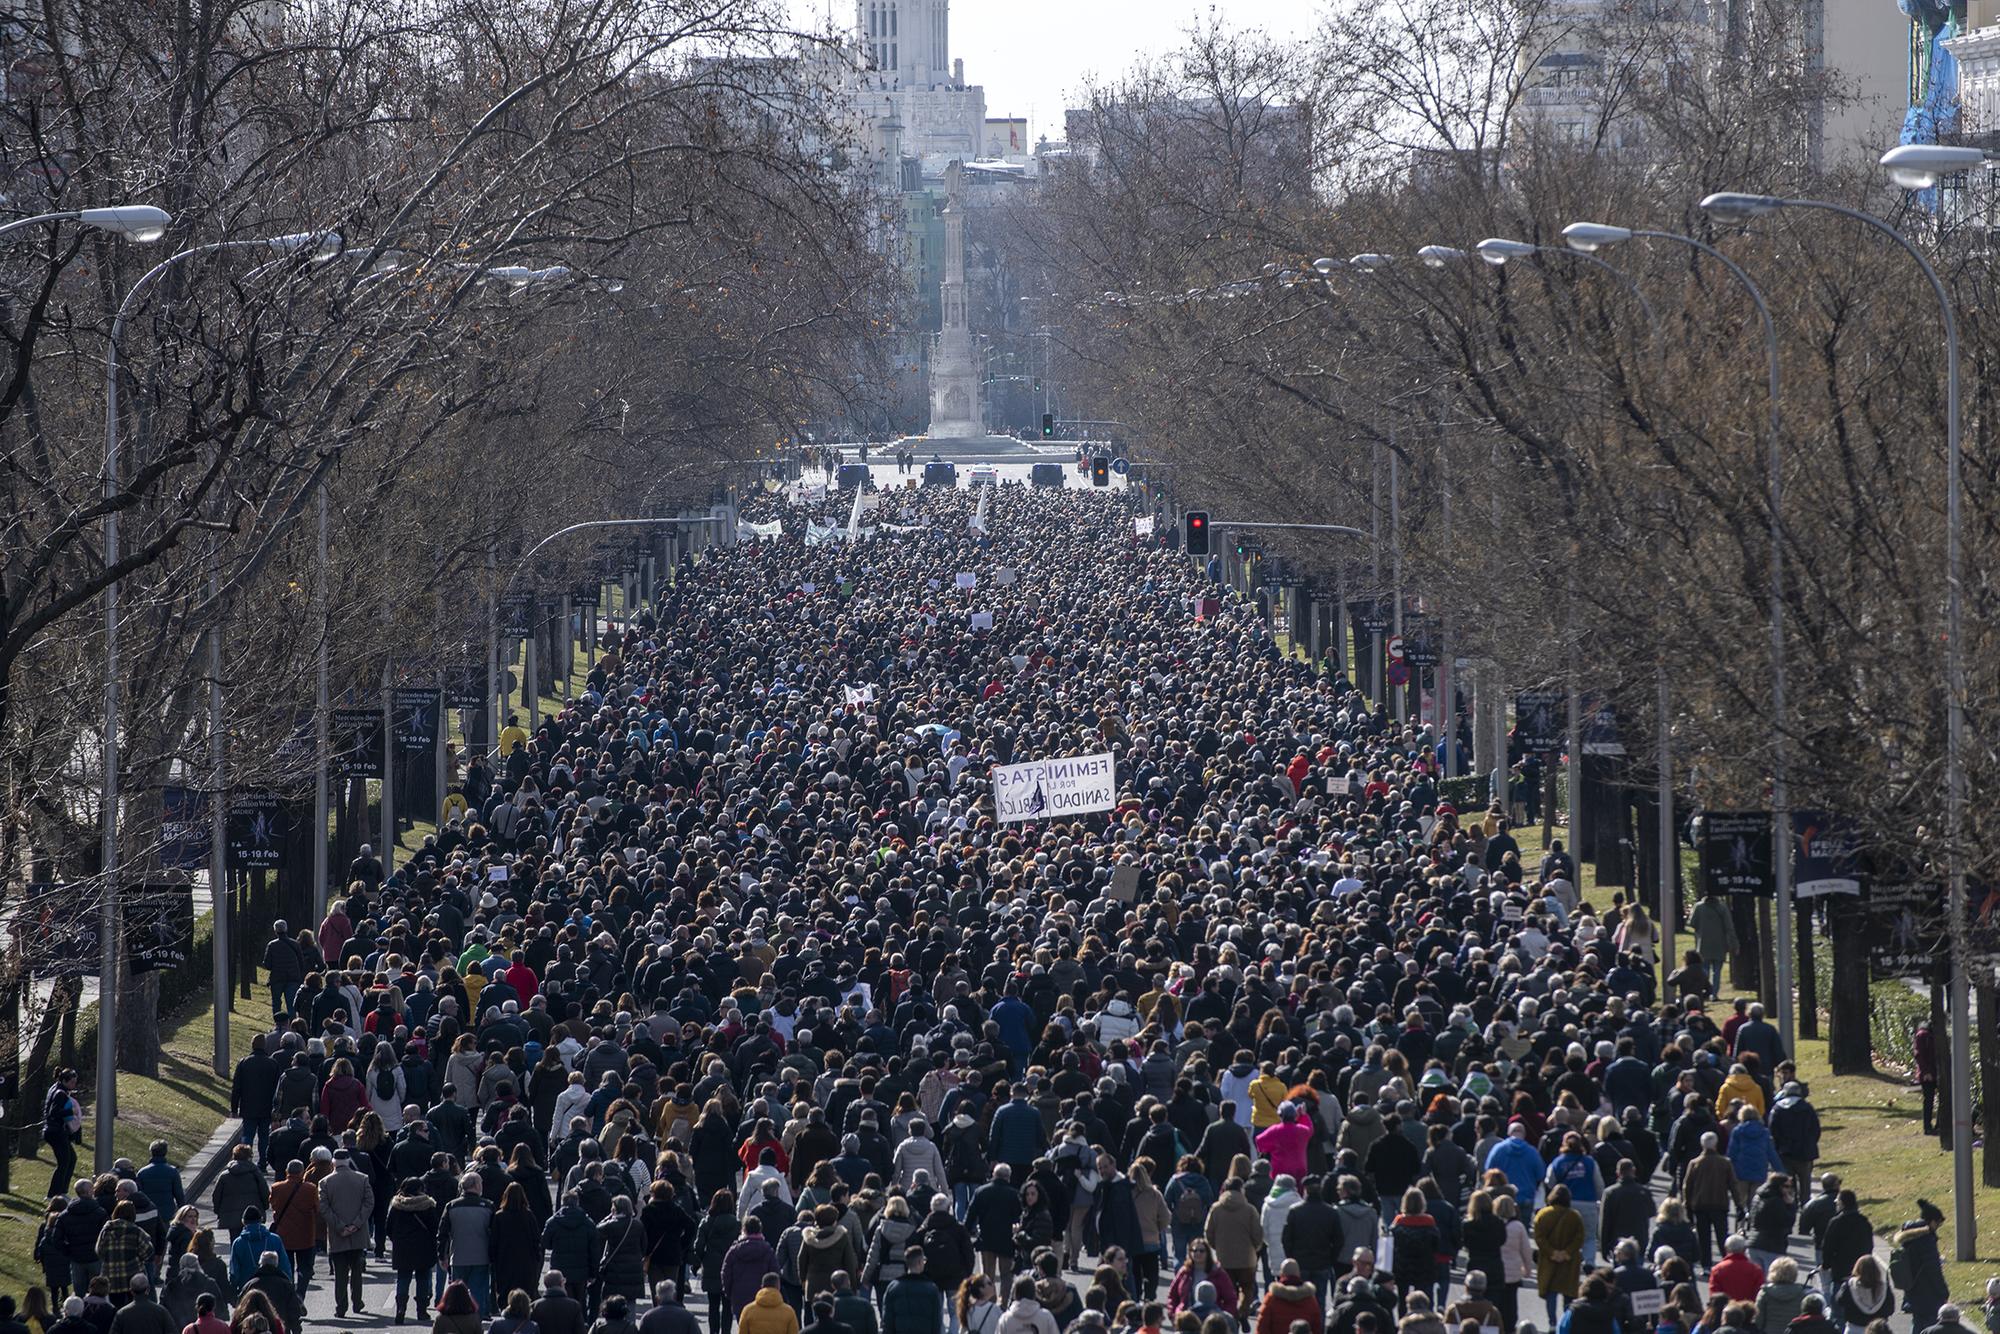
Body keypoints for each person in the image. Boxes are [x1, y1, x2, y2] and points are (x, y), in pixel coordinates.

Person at [318, 1149, 375, 1318]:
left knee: (340, 1274)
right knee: (357, 1271)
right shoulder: (362, 1178)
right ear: (349, 1161)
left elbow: (324, 1208)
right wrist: (356, 1224)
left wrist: (340, 1226)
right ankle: (357, 1302)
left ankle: (341, 1307)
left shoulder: (325, 1182)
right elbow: (369, 1203)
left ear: (333, 1162)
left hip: (337, 1234)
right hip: (358, 1233)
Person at [389, 1176, 444, 1323]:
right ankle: (421, 1311)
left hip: (403, 1247)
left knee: (403, 1277)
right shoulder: (427, 1205)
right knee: (423, 1278)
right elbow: (434, 1227)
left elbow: (389, 1227)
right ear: (420, 1189)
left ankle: (400, 1308)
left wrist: (398, 1240)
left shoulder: (396, 1205)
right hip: (423, 1246)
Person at [1893, 1200, 1949, 1333]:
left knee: (1917, 1324)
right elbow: (1933, 1270)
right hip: (1929, 1295)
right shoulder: (1927, 1241)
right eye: (1938, 1223)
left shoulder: (1910, 1237)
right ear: (1932, 1222)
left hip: (1913, 1292)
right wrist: (1944, 1292)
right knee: (1930, 1326)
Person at [1534, 1183, 1584, 1326]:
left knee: (1551, 1292)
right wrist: (1567, 1252)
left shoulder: (1543, 1214)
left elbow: (1539, 1237)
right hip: (1569, 1261)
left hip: (1549, 1260)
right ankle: (1565, 1323)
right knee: (1568, 1293)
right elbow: (1579, 1237)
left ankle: (1552, 1323)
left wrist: (1552, 1252)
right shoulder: (1574, 1216)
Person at [881, 1246, 944, 1334]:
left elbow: (887, 1321)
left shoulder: (893, 1288)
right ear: (919, 1262)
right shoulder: (931, 1289)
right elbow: (936, 1322)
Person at [43, 1070, 83, 1202]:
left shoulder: (55, 1088)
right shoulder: (60, 1093)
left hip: (52, 1131)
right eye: (72, 1082)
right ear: (64, 1081)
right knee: (65, 1162)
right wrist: (71, 1110)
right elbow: (53, 1112)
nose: (74, 1085)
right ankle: (53, 1194)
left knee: (71, 1159)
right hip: (56, 1131)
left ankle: (61, 1191)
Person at [1830, 1257, 1894, 1334]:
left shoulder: (1850, 1285)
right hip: (1877, 1330)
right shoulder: (1884, 1288)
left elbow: (1839, 1301)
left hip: (1854, 1329)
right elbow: (1890, 1309)